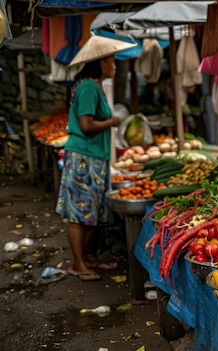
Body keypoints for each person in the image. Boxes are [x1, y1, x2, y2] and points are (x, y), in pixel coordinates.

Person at [56, 34, 135, 281]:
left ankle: (89, 257)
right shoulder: (89, 88)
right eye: (111, 60)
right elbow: (86, 125)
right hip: (83, 157)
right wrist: (112, 122)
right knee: (79, 214)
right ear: (100, 62)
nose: (114, 65)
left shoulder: (96, 87)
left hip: (95, 157)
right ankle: (77, 264)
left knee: (92, 213)